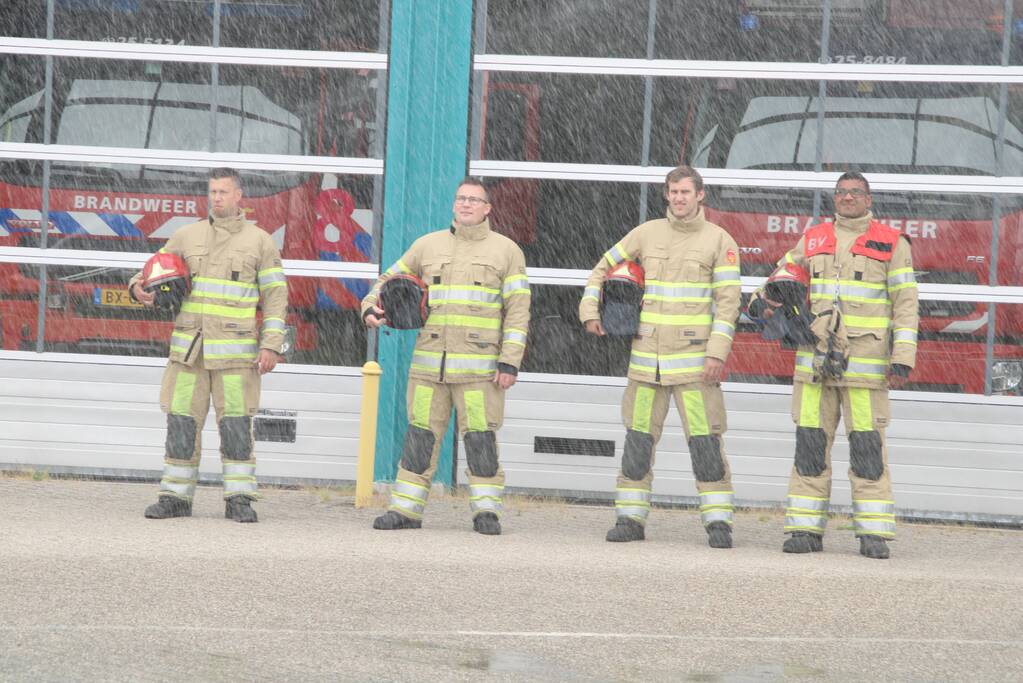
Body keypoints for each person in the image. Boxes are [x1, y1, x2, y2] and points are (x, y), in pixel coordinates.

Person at [747, 171, 919, 559]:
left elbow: (906, 304)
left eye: (855, 193)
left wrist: (903, 358)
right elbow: (780, 276)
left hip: (866, 366)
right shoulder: (814, 237)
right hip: (814, 363)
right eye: (841, 192)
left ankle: (873, 534)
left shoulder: (893, 243)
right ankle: (804, 530)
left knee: (867, 451)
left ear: (868, 198)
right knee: (809, 447)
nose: (847, 198)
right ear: (834, 198)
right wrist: (760, 301)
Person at [580, 165, 742, 548]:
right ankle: (630, 519)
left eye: (685, 192)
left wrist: (717, 354)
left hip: (695, 367)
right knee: (637, 444)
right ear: (666, 195)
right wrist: (590, 312)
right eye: (673, 192)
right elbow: (601, 270)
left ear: (701, 194)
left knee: (706, 446)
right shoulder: (646, 233)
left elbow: (728, 305)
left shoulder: (720, 241)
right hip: (646, 365)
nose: (678, 198)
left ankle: (718, 523)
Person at [362, 177, 530, 535]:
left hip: (480, 371)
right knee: (419, 437)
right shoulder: (428, 246)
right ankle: (405, 510)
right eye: (460, 199)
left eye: (474, 200)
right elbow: (388, 280)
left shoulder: (506, 251)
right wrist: (369, 308)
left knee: (480, 439)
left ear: (488, 208)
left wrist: (509, 361)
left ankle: (486, 512)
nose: (466, 205)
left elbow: (517, 312)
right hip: (428, 368)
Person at [129, 167, 288, 523]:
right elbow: (154, 269)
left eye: (223, 192)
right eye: (212, 191)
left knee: (235, 426)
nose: (216, 197)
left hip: (235, 356)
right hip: (190, 355)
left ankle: (239, 500)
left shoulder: (260, 241)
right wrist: (137, 287)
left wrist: (272, 345)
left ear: (239, 196)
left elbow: (277, 297)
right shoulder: (187, 235)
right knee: (182, 424)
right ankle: (174, 497)